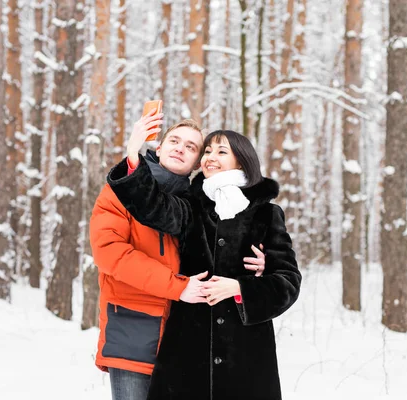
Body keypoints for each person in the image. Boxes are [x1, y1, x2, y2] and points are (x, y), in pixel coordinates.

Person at [107, 127, 302, 400]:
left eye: (222, 151)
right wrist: (132, 154)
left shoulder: (267, 214)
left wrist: (240, 288)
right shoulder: (190, 205)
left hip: (245, 357)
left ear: (242, 160)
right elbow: (150, 206)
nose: (210, 156)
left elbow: (289, 282)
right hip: (187, 353)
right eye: (208, 151)